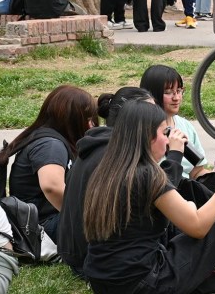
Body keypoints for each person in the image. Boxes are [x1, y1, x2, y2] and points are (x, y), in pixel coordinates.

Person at [82, 101, 215, 294]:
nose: (169, 139)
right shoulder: (147, 174)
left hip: (101, 281)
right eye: (165, 133)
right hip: (144, 283)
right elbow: (197, 226)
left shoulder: (106, 170)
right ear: (147, 136)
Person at [58, 86, 186, 275]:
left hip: (78, 252)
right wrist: (174, 156)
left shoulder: (98, 143)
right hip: (95, 258)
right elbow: (157, 195)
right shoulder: (116, 154)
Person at [0, 85, 95, 242]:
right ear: (71, 119)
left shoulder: (50, 138)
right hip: (42, 226)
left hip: (44, 221)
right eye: (88, 119)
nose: (91, 125)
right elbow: (52, 187)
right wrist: (81, 218)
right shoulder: (50, 145)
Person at [140, 65, 209, 179]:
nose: (176, 98)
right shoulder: (143, 131)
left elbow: (197, 172)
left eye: (179, 91)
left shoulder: (185, 126)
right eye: (168, 92)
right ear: (150, 95)